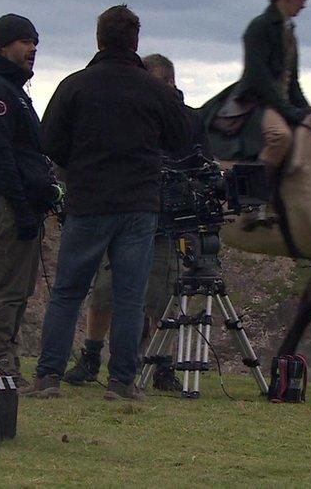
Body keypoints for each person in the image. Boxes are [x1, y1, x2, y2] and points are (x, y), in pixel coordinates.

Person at [24, 6, 191, 400]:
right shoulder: (153, 90)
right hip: (139, 205)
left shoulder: (76, 85)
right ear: (135, 41)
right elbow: (182, 137)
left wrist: (79, 165)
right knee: (130, 296)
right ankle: (121, 382)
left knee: (68, 292)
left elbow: (49, 142)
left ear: (98, 39)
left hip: (89, 202)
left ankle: (48, 376)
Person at [61, 53, 206, 390]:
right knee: (105, 292)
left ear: (169, 83)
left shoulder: (189, 120)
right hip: (130, 212)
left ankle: (161, 365)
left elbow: (201, 163)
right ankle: (91, 356)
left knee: (161, 297)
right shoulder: (134, 108)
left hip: (167, 222)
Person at [0, 13, 61, 388]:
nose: (32, 49)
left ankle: (7, 364)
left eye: (35, 42)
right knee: (4, 288)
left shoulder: (14, 90)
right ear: (3, 45)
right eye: (25, 41)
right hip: (8, 204)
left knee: (19, 290)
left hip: (23, 203)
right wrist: (20, 205)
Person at [201, 0, 311, 225]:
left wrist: (309, 113)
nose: (304, 4)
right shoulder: (259, 27)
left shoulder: (289, 31)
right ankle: (252, 204)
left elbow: (292, 81)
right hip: (256, 99)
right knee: (280, 137)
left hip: (278, 102)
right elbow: (259, 77)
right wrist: (288, 110)